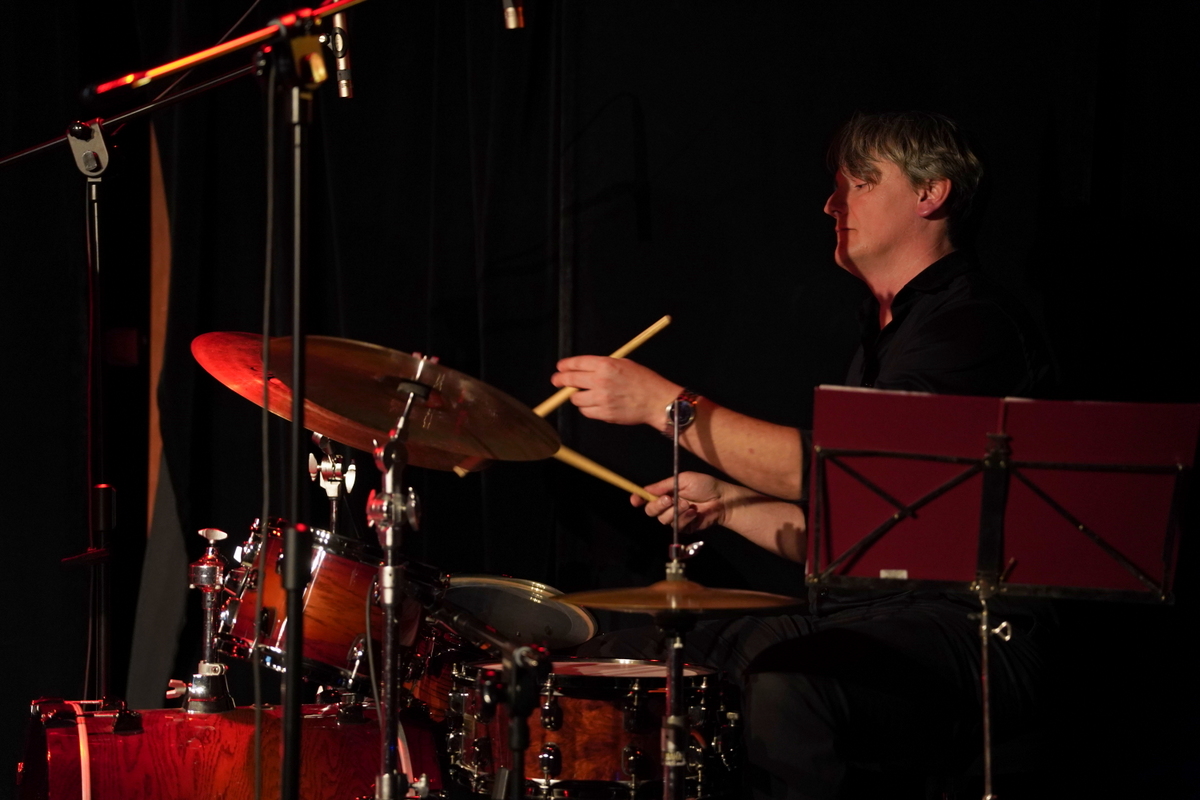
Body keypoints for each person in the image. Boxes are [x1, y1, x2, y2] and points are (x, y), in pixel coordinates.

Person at [552, 111, 1054, 799]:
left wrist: (665, 407)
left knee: (788, 678)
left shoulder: (971, 326)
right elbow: (866, 525)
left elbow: (862, 470)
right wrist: (728, 506)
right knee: (625, 660)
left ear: (930, 193)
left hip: (975, 632)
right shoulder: (885, 336)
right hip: (869, 615)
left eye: (858, 183)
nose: (832, 204)